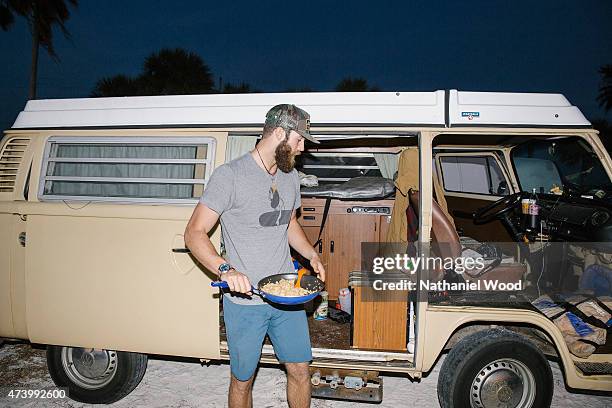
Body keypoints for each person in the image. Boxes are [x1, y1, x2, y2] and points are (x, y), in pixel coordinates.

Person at [184, 104, 326, 408]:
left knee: (301, 370)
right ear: (278, 133)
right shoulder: (230, 176)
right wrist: (225, 270)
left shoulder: (289, 177)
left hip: (287, 296)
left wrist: (310, 253)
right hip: (246, 301)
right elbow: (194, 233)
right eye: (299, 139)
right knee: (243, 379)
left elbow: (288, 222)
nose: (302, 148)